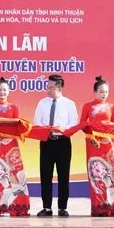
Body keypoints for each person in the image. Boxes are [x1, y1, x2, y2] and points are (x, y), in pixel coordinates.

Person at [33, 74, 79, 217]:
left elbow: (74, 123)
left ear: (59, 88)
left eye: (51, 87)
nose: (48, 89)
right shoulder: (42, 103)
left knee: (63, 176)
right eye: (47, 86)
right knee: (45, 175)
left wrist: (62, 128)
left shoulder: (69, 104)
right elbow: (36, 122)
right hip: (46, 141)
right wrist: (47, 128)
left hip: (63, 142)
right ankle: (47, 207)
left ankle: (62, 208)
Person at [0, 78, 30, 216]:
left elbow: (17, 123)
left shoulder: (14, 107)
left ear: (8, 91)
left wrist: (1, 121)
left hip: (11, 144)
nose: (2, 92)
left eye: (4, 89)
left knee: (13, 171)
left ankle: (16, 206)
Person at [79, 76, 114, 217]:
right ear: (95, 92)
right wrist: (91, 135)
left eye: (106, 92)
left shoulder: (112, 107)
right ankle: (99, 207)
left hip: (109, 144)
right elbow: (82, 125)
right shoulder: (88, 106)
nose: (104, 94)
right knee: (96, 174)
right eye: (101, 92)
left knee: (113, 172)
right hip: (93, 144)